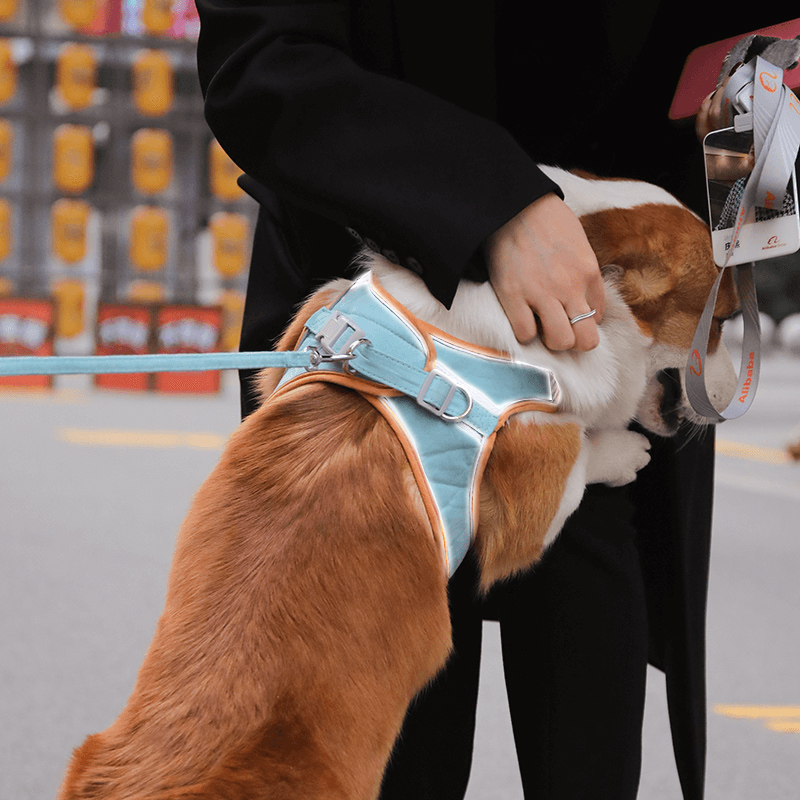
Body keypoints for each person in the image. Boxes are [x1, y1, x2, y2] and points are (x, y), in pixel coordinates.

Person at [193, 3, 777, 798]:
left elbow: (738, 47)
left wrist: (762, 134)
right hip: (376, 349)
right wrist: (489, 204)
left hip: (612, 366)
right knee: (379, 763)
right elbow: (261, 60)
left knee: (592, 743)